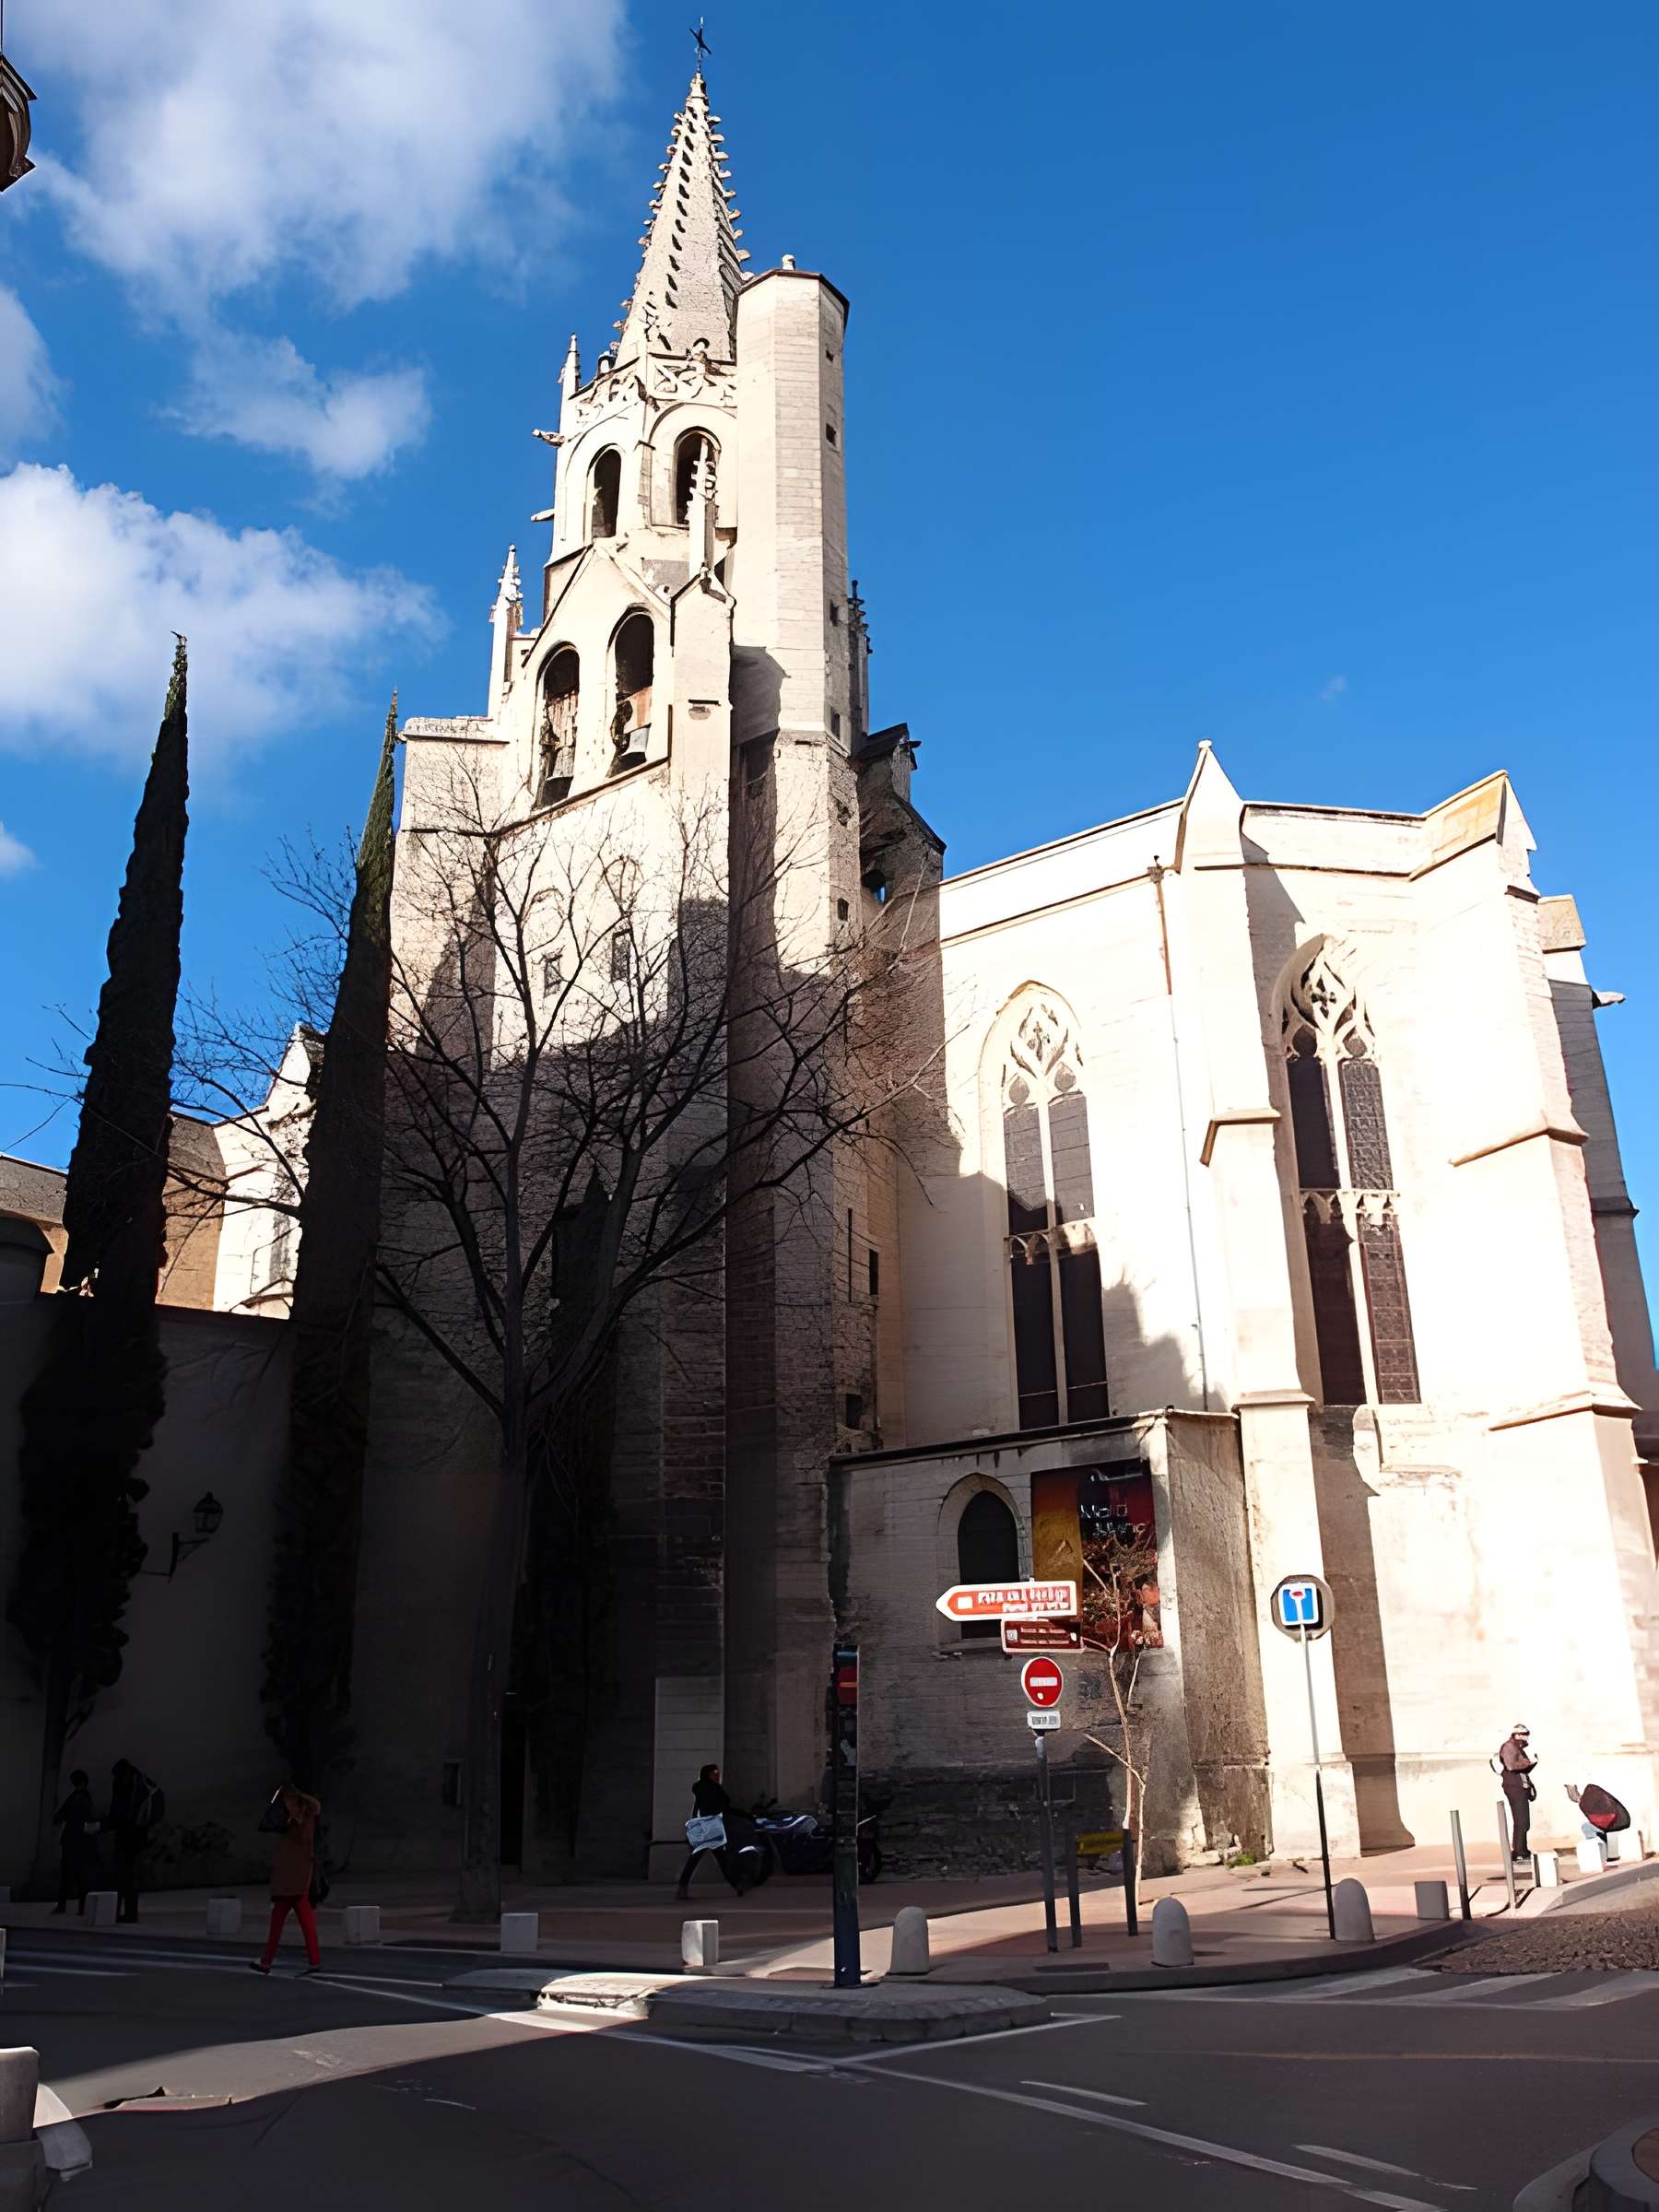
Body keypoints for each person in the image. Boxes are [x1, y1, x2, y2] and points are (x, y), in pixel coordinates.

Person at [250, 1784, 324, 1976]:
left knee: (277, 1925)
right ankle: (314, 1961)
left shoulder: (289, 1823)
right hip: (300, 1880)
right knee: (307, 1924)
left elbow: (268, 1824)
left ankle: (266, 1962)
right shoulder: (309, 1818)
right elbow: (315, 1806)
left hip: (286, 1883)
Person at [675, 1763, 747, 1901]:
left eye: (718, 1773)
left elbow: (698, 1809)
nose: (717, 1776)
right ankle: (737, 1884)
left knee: (717, 1858)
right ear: (708, 1774)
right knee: (714, 1859)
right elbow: (720, 1805)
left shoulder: (703, 1788)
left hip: (708, 1828)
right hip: (709, 1828)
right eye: (714, 1773)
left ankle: (737, 1884)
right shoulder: (711, 1789)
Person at [108, 1759, 159, 1924]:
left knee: (125, 1876)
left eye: (118, 1777)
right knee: (124, 1876)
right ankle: (123, 1912)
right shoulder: (136, 1784)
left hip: (131, 1836)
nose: (116, 1780)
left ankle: (128, 1914)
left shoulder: (136, 1788)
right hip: (132, 1835)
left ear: (126, 1774)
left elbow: (119, 1813)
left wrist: (105, 1824)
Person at [51, 1770, 100, 1916]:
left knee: (69, 1874)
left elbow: (59, 1816)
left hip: (72, 1840)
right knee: (80, 1875)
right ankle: (80, 1906)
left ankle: (65, 1905)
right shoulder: (83, 1797)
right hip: (81, 1841)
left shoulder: (76, 1797)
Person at [1497, 1724, 1537, 1862]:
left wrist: (1532, 1764)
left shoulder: (1517, 1748)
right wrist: (1528, 1762)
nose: (1526, 1736)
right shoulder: (1509, 1747)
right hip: (1514, 1787)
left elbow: (1522, 1770)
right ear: (1517, 1735)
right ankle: (1520, 1852)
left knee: (1523, 1820)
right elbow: (1511, 1766)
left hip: (1519, 1786)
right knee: (1521, 1820)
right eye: (1524, 1734)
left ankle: (1521, 1850)